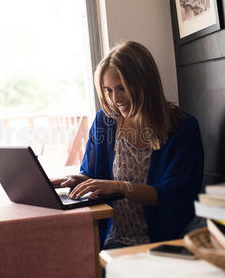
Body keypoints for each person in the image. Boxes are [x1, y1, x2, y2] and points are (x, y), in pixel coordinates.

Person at [52, 41, 204, 249]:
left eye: (122, 88)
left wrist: (121, 187)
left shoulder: (182, 127)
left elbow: (174, 194)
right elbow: (92, 172)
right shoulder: (105, 121)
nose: (116, 99)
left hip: (163, 241)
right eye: (109, 90)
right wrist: (77, 180)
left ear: (145, 83)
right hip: (114, 240)